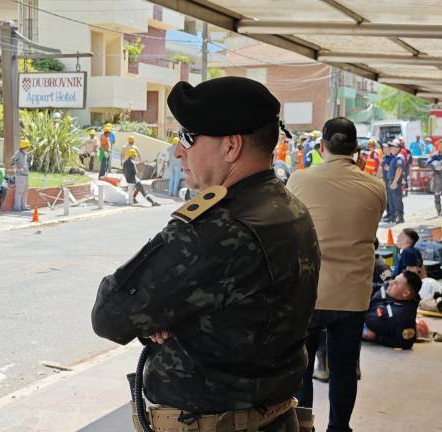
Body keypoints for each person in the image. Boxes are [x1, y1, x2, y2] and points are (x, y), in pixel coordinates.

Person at [92, 76, 320, 432]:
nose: (179, 150)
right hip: (273, 418)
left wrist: (161, 318)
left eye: (187, 137)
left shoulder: (214, 229)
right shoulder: (289, 208)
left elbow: (110, 314)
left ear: (231, 147)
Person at [287, 116, 386, 432]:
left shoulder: (299, 180)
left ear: (322, 146)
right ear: (356, 149)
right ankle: (339, 428)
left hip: (309, 292)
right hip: (352, 295)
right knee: (344, 368)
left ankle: (303, 427)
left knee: (301, 369)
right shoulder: (376, 187)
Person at [362, 271, 423, 350]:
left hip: (360, 326)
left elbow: (406, 342)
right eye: (394, 279)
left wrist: (376, 337)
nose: (390, 282)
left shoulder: (404, 317)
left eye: (396, 283)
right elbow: (375, 286)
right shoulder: (389, 289)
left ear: (405, 293)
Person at [10, 139, 30, 212]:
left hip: (26, 174)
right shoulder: (18, 153)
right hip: (20, 175)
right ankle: (17, 207)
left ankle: (24, 206)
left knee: (25, 190)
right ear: (24, 146)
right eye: (27, 146)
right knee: (19, 191)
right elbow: (12, 161)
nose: (28, 148)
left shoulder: (26, 154)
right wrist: (17, 168)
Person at [380, 142, 397, 222]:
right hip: (385, 180)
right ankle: (389, 213)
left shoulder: (392, 158)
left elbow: (394, 168)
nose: (383, 150)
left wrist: (389, 168)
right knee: (387, 198)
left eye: (385, 148)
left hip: (390, 180)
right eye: (383, 149)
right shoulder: (385, 157)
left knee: (391, 198)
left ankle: (393, 215)